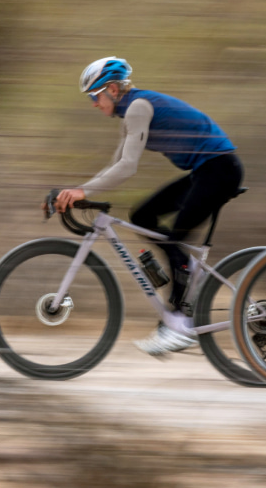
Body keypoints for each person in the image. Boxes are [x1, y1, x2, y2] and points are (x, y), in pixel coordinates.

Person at [53, 56, 244, 356]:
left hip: (219, 170)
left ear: (113, 90)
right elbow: (115, 164)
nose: (93, 103)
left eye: (95, 95)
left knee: (175, 239)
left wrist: (81, 191)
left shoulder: (138, 107)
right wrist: (81, 191)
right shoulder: (130, 112)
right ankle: (188, 268)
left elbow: (128, 167)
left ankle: (180, 324)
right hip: (206, 170)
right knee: (143, 215)